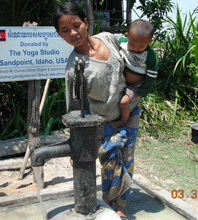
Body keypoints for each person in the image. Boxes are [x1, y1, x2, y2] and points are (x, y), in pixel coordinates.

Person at [53, 2, 140, 218]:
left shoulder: (108, 38)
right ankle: (114, 209)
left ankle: (120, 207)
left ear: (85, 22)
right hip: (105, 122)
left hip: (131, 111)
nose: (73, 33)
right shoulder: (74, 68)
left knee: (127, 159)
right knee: (111, 165)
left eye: (76, 25)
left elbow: (132, 48)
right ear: (59, 35)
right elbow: (75, 109)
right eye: (65, 30)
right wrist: (76, 143)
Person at [109, 19, 158, 129]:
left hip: (135, 85)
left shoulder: (149, 56)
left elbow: (151, 77)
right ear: (127, 36)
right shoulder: (122, 42)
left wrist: (142, 92)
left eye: (141, 47)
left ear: (149, 42)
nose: (136, 48)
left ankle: (122, 121)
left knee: (124, 102)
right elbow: (110, 39)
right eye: (132, 44)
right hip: (120, 79)